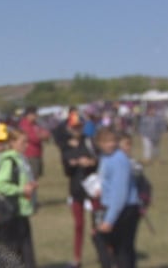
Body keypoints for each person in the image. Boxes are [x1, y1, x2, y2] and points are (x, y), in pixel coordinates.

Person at [56, 109, 100, 268]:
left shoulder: (89, 141)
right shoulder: (65, 146)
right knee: (79, 225)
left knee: (98, 222)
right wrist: (74, 162)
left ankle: (104, 253)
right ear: (69, 128)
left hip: (93, 187)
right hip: (76, 188)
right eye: (74, 127)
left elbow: (99, 158)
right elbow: (66, 170)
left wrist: (91, 162)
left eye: (79, 126)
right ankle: (77, 258)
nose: (77, 130)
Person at [0, 128, 38, 268]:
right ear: (12, 142)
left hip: (22, 213)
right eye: (23, 142)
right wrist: (21, 189)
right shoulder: (9, 161)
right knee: (18, 256)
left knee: (27, 256)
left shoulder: (20, 159)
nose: (26, 145)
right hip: (13, 214)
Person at [95, 128, 141, 268]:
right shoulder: (105, 157)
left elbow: (120, 193)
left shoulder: (119, 160)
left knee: (123, 251)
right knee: (116, 249)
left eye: (113, 141)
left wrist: (109, 220)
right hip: (113, 206)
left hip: (124, 209)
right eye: (106, 142)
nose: (110, 144)